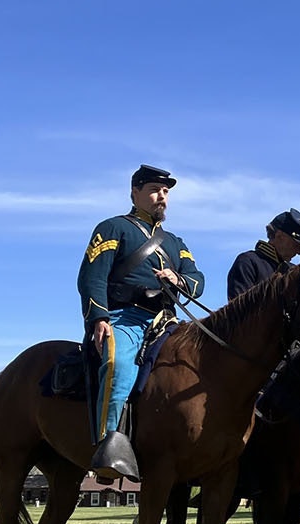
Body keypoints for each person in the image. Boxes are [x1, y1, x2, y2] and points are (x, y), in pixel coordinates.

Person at [77, 164, 204, 481]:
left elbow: (197, 280)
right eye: (154, 190)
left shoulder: (176, 242)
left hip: (167, 320)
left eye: (166, 192)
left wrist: (178, 279)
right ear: (134, 193)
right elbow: (92, 276)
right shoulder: (112, 228)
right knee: (118, 364)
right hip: (126, 316)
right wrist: (99, 317)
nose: (162, 196)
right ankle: (110, 447)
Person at [226, 209, 300, 300]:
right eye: (296, 245)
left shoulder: (293, 271)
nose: (298, 252)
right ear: (279, 236)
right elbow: (239, 310)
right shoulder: (248, 263)